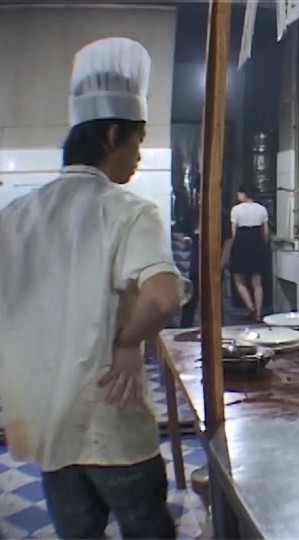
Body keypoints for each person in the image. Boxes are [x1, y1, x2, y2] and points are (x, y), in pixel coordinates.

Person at [0, 37, 190, 538]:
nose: (139, 156)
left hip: (48, 427)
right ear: (112, 135)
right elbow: (163, 297)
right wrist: (126, 341)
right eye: (138, 141)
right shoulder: (128, 210)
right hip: (113, 427)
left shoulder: (15, 216)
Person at [179, 188, 233, 328]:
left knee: (214, 296)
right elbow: (184, 233)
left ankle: (215, 326)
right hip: (197, 257)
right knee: (192, 293)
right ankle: (185, 326)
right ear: (198, 193)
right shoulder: (192, 212)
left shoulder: (222, 213)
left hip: (215, 257)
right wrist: (186, 240)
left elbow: (228, 239)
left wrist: (222, 261)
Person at [225, 184, 270, 321]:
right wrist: (262, 244)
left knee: (238, 278)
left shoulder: (236, 209)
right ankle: (259, 313)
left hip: (241, 242)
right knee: (257, 281)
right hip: (256, 241)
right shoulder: (262, 209)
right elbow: (265, 232)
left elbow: (233, 231)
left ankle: (250, 307)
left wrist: (228, 249)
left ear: (243, 194)